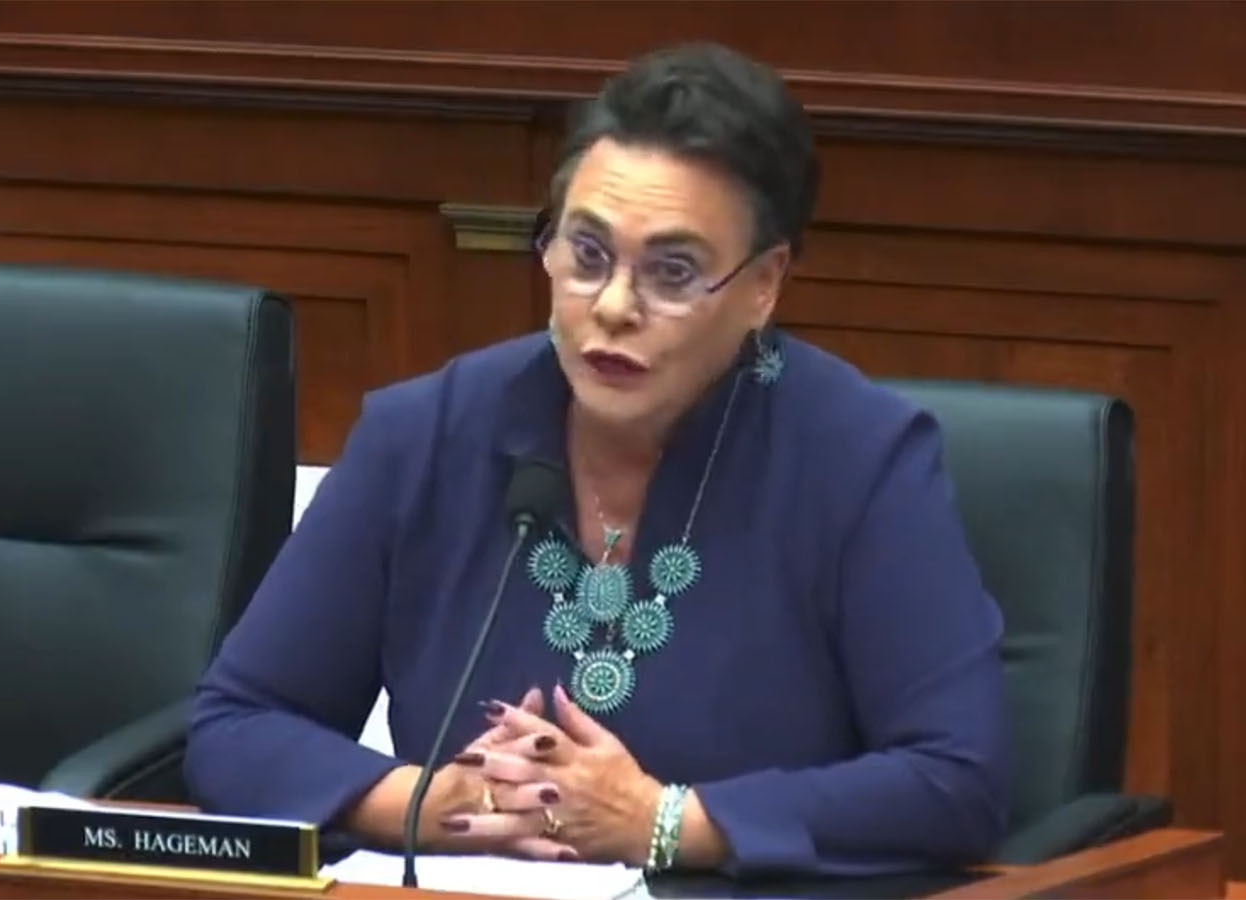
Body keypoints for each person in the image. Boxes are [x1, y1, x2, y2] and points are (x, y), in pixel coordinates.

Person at [185, 41, 1009, 878]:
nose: (612, 307)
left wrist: (663, 822)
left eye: (673, 272)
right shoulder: (425, 435)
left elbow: (956, 780)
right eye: (586, 254)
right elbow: (238, 723)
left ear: (763, 285)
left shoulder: (859, 459)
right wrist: (442, 805)